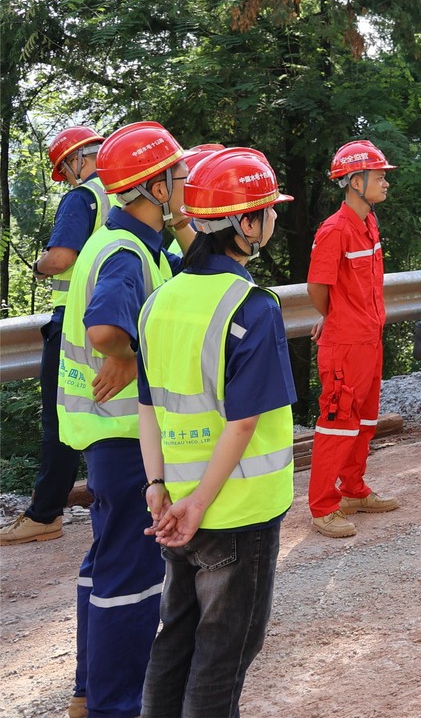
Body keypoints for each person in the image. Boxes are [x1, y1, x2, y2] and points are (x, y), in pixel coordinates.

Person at [136, 147, 296, 715]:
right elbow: (244, 420)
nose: (271, 219)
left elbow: (148, 406)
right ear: (245, 225)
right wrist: (201, 503)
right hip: (236, 513)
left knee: (175, 641)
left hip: (176, 504)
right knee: (223, 657)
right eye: (267, 211)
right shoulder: (252, 306)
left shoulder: (158, 302)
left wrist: (157, 488)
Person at [57, 121, 189, 718]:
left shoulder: (128, 243)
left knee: (104, 566)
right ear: (156, 189)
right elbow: (106, 328)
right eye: (178, 176)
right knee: (132, 582)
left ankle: (89, 691)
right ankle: (115, 705)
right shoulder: (127, 253)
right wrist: (129, 356)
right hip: (124, 437)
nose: (186, 184)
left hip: (103, 434)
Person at [3, 127, 107, 546]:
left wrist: (40, 265)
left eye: (65, 169)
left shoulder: (83, 197)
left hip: (77, 323)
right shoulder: (127, 194)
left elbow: (61, 257)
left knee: (62, 417)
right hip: (120, 317)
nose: (67, 176)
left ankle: (44, 515)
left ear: (77, 159)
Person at [308, 140, 403, 538]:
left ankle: (353, 490)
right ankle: (322, 507)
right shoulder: (335, 230)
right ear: (355, 181)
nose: (385, 182)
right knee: (337, 424)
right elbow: (317, 288)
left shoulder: (369, 223)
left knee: (363, 422)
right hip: (346, 345)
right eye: (379, 176)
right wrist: (335, 318)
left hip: (369, 339)